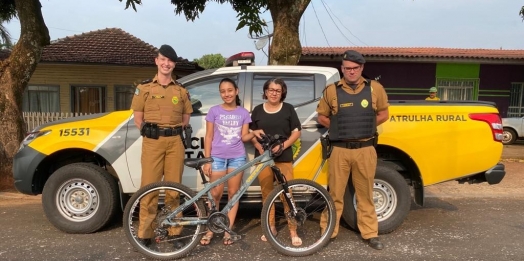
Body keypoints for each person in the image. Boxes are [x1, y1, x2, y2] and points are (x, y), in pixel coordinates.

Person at [317, 50, 389, 250]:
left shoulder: (375, 89)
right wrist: (336, 126)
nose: (351, 72)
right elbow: (321, 116)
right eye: (347, 68)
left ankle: (370, 234)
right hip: (340, 149)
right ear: (342, 69)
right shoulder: (331, 90)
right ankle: (328, 232)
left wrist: (365, 126)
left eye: (355, 68)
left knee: (365, 193)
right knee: (335, 194)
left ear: (361, 68)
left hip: (365, 149)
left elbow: (384, 114)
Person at [130, 44, 193, 249]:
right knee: (149, 189)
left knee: (174, 190)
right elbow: (138, 119)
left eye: (170, 61)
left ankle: (174, 232)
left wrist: (171, 132)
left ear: (174, 64)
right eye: (163, 59)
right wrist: (153, 132)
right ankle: (145, 234)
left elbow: (185, 118)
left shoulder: (181, 91)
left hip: (175, 142)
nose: (166, 64)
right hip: (153, 143)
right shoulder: (145, 88)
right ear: (157, 61)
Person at [249, 78, 303, 246]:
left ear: (282, 93)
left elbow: (296, 132)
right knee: (267, 194)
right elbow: (251, 132)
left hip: (284, 157)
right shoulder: (257, 110)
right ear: (265, 91)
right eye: (271, 90)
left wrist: (282, 146)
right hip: (264, 159)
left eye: (277, 90)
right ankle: (270, 226)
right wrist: (258, 146)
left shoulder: (288, 109)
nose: (274, 93)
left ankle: (293, 230)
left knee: (287, 195)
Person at [199, 78, 252, 246]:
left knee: (233, 195)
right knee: (214, 195)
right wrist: (207, 160)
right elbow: (208, 136)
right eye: (223, 91)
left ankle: (228, 230)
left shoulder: (243, 113)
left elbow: (244, 137)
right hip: (217, 157)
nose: (226, 94)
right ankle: (210, 229)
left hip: (237, 157)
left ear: (236, 91)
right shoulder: (214, 111)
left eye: (230, 90)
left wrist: (255, 133)